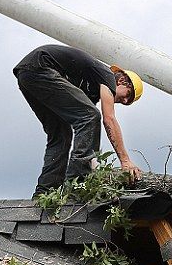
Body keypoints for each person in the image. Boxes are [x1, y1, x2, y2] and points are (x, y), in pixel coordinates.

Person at [13, 44, 143, 196]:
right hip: (41, 67)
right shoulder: (107, 75)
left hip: (28, 75)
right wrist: (125, 161)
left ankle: (46, 192)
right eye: (128, 95)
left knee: (61, 133)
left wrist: (97, 172)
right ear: (122, 81)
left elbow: (86, 138)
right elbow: (109, 119)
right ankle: (77, 183)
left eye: (129, 101)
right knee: (90, 116)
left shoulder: (90, 92)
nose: (125, 101)